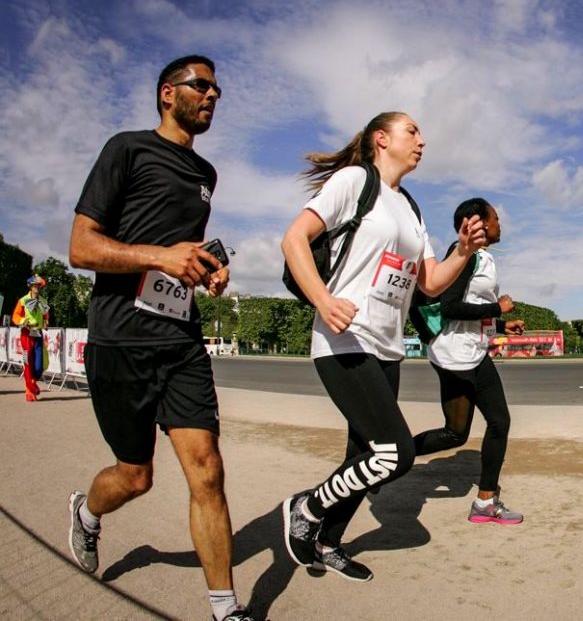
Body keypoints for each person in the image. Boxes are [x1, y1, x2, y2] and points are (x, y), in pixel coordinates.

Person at [67, 55, 253, 621]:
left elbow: (181, 257)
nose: (213, 95)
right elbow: (80, 248)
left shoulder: (207, 176)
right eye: (203, 85)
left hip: (180, 341)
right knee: (135, 476)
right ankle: (87, 513)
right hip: (120, 339)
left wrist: (206, 270)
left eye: (218, 88)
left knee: (208, 470)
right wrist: (160, 257)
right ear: (168, 94)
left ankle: (225, 608)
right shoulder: (126, 148)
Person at [279, 112, 486, 581]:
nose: (422, 140)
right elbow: (294, 239)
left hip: (387, 347)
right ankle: (305, 508)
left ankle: (329, 540)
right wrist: (323, 299)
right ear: (381, 138)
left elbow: (430, 284)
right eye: (412, 131)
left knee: (362, 456)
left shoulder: (410, 208)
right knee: (395, 452)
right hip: (343, 339)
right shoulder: (355, 181)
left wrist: (463, 251)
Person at [412, 198, 526, 524]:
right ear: (478, 223)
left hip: (472, 351)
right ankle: (389, 458)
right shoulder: (464, 255)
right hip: (455, 356)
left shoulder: (483, 257)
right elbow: (448, 307)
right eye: (496, 217)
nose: (500, 223)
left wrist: (503, 326)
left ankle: (485, 502)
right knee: (467, 430)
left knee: (473, 429)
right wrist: (497, 310)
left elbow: (470, 306)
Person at [12, 274, 50, 401]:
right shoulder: (22, 301)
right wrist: (24, 321)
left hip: (38, 333)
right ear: (30, 286)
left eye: (39, 286)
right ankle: (29, 391)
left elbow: (46, 316)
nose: (37, 288)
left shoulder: (43, 301)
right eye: (35, 285)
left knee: (39, 365)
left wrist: (46, 322)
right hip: (26, 334)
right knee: (27, 362)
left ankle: (33, 383)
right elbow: (15, 316)